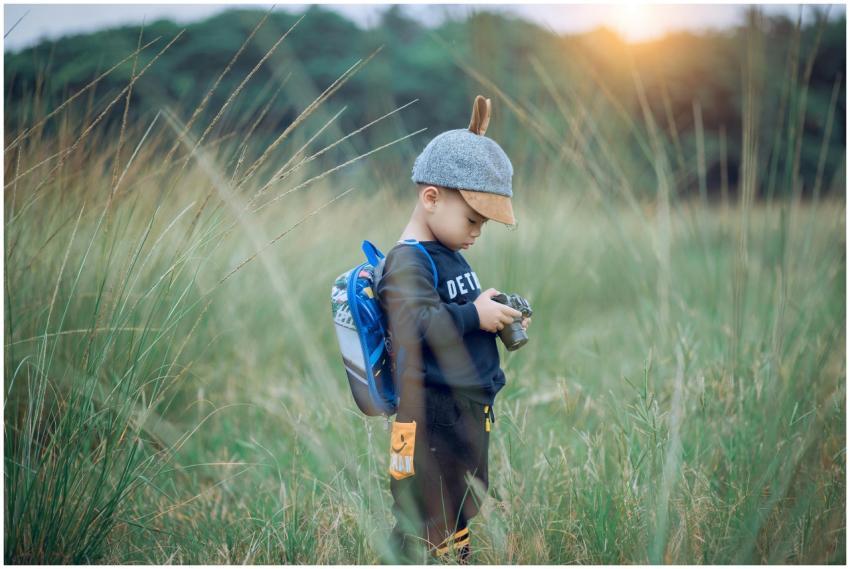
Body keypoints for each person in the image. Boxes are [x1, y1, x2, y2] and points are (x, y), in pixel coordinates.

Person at [376, 96, 531, 564]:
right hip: (429, 414)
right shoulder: (407, 261)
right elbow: (417, 324)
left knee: (459, 502)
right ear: (431, 198)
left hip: (460, 409)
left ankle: (450, 556)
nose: (477, 231)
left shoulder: (447, 253)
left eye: (483, 223)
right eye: (472, 218)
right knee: (427, 510)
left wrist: (492, 310)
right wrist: (473, 315)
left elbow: (450, 312)